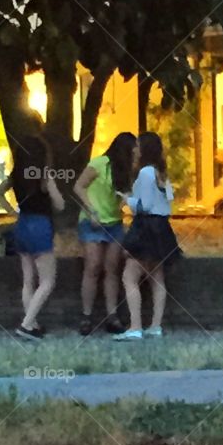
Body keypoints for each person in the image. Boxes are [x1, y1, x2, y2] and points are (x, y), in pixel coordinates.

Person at [115, 132, 180, 341]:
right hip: (162, 227)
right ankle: (155, 325)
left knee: (129, 276)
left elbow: (143, 205)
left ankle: (135, 326)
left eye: (138, 146)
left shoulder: (144, 173)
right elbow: (167, 200)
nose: (135, 150)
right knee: (157, 277)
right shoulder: (162, 173)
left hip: (145, 226)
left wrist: (127, 200)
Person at [73, 132, 137, 335]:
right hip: (92, 222)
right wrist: (92, 210)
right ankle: (86, 315)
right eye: (134, 150)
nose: (137, 154)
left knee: (112, 269)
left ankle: (112, 316)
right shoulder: (100, 163)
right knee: (92, 266)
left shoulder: (126, 170)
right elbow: (79, 186)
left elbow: (125, 196)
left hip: (114, 223)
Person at [9, 133, 65, 341]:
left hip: (22, 224)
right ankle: (25, 325)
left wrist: (11, 211)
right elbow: (60, 204)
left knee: (28, 280)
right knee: (48, 280)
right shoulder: (44, 175)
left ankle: (32, 324)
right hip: (40, 226)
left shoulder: (16, 175)